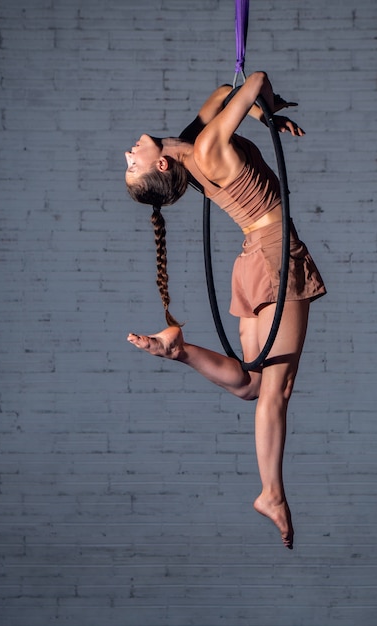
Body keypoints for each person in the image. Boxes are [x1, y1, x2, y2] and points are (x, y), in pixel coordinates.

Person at [125, 71, 326, 549]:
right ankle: (272, 493)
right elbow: (252, 79)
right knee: (276, 389)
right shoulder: (208, 150)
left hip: (251, 258)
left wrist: (260, 114)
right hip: (275, 256)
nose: (129, 155)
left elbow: (222, 93)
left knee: (253, 385)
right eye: (134, 165)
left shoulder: (193, 151)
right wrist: (268, 105)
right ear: (163, 169)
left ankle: (181, 351)